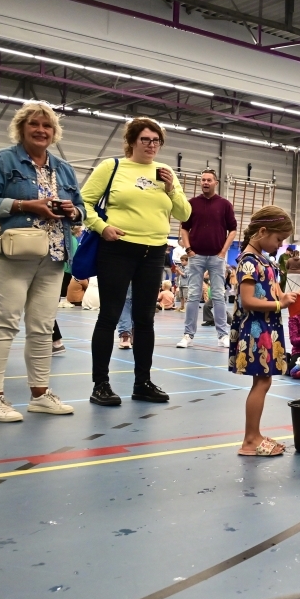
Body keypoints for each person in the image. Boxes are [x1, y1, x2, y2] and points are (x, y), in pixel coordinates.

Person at [0, 101, 84, 422]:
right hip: (9, 254)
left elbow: (80, 208)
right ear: (21, 128)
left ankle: (40, 395)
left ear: (54, 132)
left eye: (47, 126)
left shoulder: (63, 168)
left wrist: (73, 211)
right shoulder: (3, 160)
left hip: (53, 257)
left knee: (43, 328)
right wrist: (25, 205)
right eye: (34, 124)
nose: (41, 130)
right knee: (3, 324)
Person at [81, 117, 191, 406]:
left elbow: (184, 214)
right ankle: (100, 385)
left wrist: (171, 188)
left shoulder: (166, 173)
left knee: (145, 320)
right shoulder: (112, 167)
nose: (152, 145)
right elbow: (84, 203)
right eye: (145, 139)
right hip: (117, 249)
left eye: (156, 141)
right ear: (131, 141)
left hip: (153, 253)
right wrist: (101, 227)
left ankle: (142, 383)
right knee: (109, 316)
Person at [229, 206, 295, 456]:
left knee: (263, 381)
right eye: (278, 239)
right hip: (256, 329)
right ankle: (250, 440)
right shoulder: (248, 262)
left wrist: (292, 299)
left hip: (267, 327)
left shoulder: (263, 260)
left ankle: (254, 434)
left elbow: (274, 293)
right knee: (262, 381)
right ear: (263, 231)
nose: (279, 245)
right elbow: (248, 301)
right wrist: (280, 305)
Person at [176, 168, 236, 349]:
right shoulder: (192, 203)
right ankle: (188, 335)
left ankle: (223, 335)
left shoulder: (225, 204)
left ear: (215, 183)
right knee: (193, 295)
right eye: (203, 180)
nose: (205, 182)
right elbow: (184, 228)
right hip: (196, 257)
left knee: (218, 296)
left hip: (217, 257)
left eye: (209, 180)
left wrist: (223, 252)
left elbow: (233, 230)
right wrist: (189, 250)